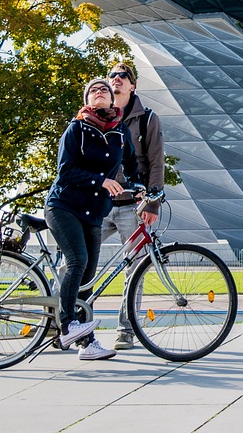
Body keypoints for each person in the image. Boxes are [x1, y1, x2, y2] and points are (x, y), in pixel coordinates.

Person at [45, 78, 127, 361]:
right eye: (94, 90)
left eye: (104, 89)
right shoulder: (76, 128)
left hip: (93, 212)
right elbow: (65, 171)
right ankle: (67, 325)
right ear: (87, 100)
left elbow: (130, 166)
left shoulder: (118, 132)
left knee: (87, 279)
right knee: (77, 261)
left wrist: (143, 188)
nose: (101, 91)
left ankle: (87, 342)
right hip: (64, 206)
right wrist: (101, 182)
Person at [103, 61, 165, 351]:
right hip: (99, 203)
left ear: (132, 85)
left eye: (123, 75)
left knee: (135, 269)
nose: (116, 79)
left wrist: (152, 203)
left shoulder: (147, 118)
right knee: (74, 263)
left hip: (132, 205)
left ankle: (125, 330)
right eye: (112, 75)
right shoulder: (95, 115)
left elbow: (156, 162)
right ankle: (62, 322)